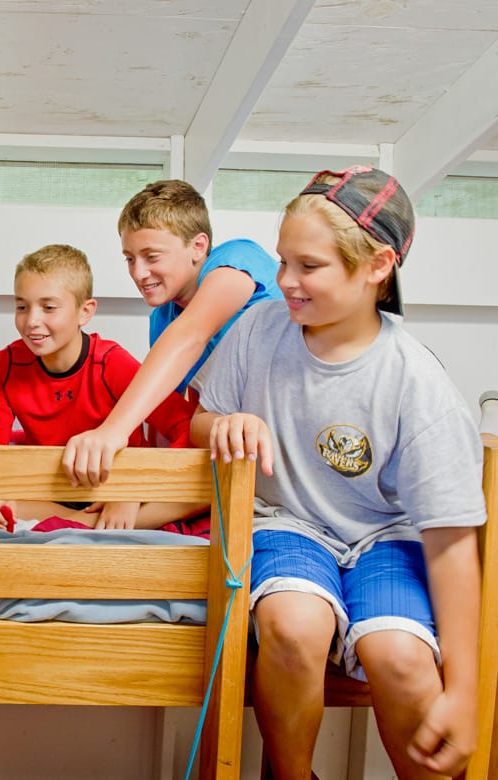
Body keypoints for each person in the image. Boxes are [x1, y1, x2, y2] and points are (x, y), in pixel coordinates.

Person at [191, 166, 486, 778]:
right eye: (282, 262)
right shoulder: (256, 330)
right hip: (287, 522)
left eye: (309, 267)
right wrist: (224, 425)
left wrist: (463, 693)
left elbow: (452, 543)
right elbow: (200, 422)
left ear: (377, 266)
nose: (285, 283)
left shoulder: (416, 380)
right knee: (294, 626)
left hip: (387, 536)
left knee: (401, 658)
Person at [61, 179, 281, 488]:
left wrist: (112, 431)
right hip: (238, 445)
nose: (138, 273)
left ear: (198, 247)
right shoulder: (162, 319)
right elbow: (174, 415)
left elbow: (192, 334)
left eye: (152, 256)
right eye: (129, 258)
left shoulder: (236, 261)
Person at [0, 243, 203, 530]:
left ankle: (92, 520)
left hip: (113, 487)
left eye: (48, 307)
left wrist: (133, 489)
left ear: (85, 312)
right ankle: (84, 523)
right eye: (21, 307)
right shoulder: (5, 365)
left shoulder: (111, 363)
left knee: (203, 488)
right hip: (50, 488)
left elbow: (185, 426)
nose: (31, 321)